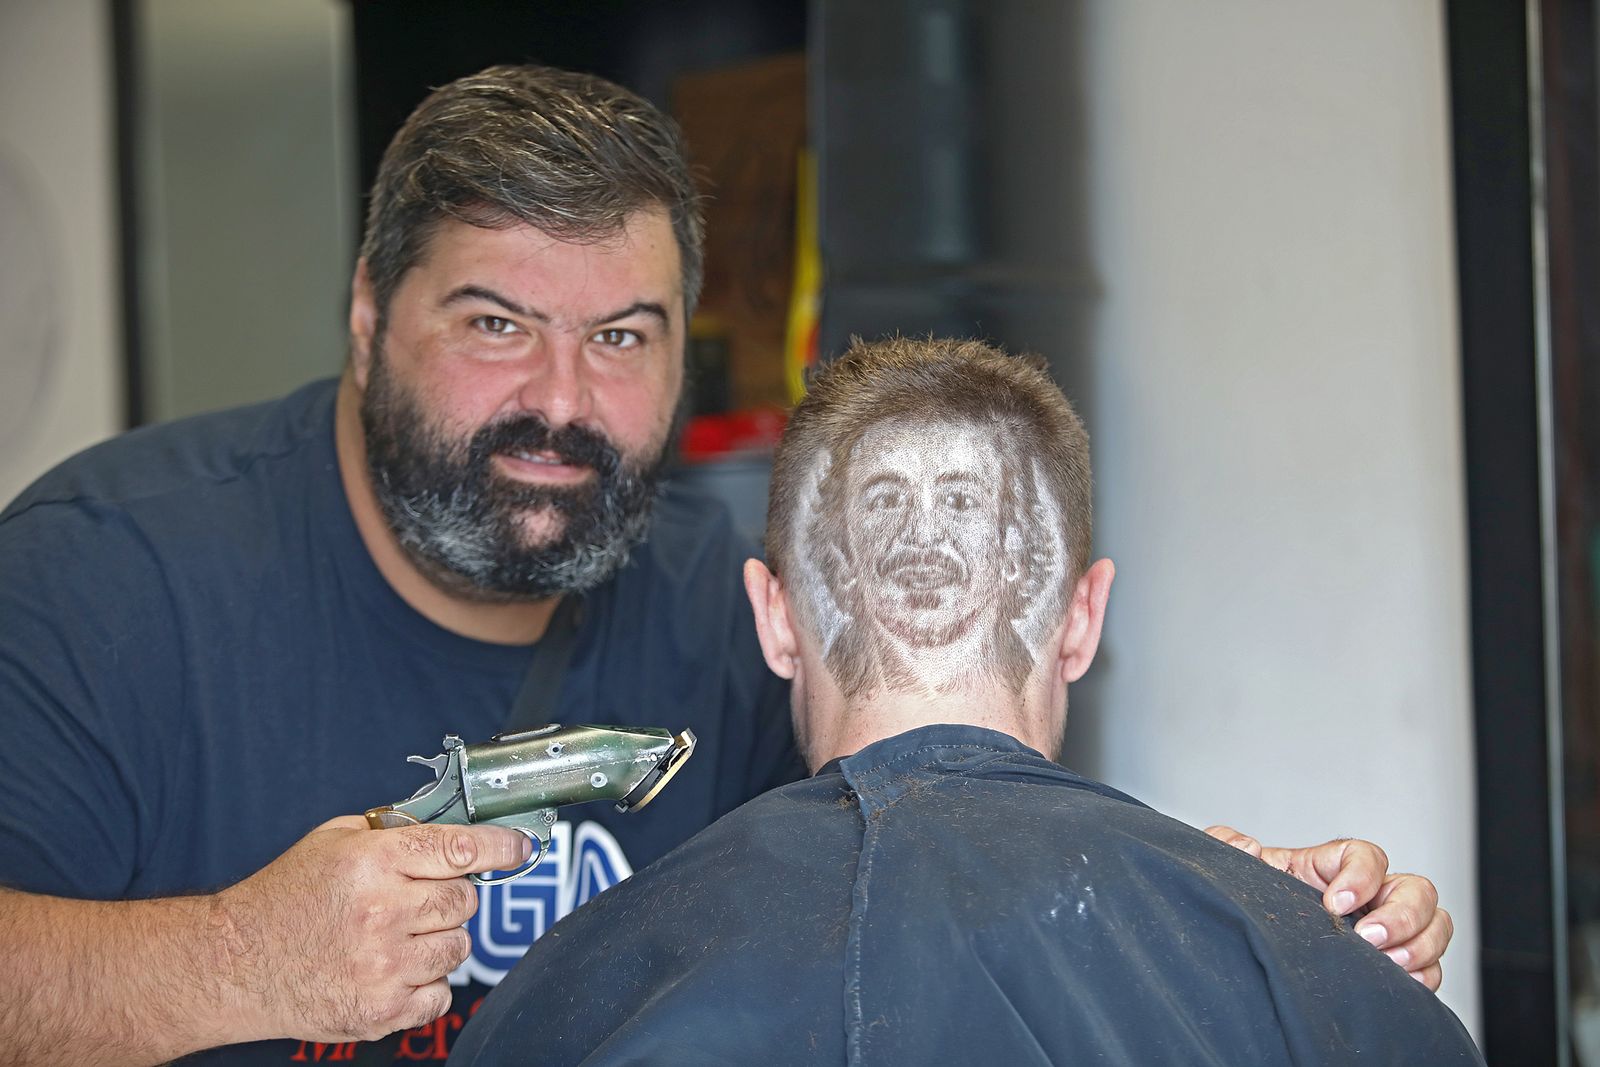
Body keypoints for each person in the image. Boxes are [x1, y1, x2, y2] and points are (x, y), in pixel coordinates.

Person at [0, 67, 1446, 1066]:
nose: (563, 400)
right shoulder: (108, 580)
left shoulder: (725, 598)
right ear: (371, 314)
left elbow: (940, 825)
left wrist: (1221, 903)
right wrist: (237, 961)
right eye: (498, 323)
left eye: (622, 335)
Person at [449, 337, 1483, 1066]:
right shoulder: (1327, 980)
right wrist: (1247, 925)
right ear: (1083, 617)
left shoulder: (568, 994)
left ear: (771, 615)